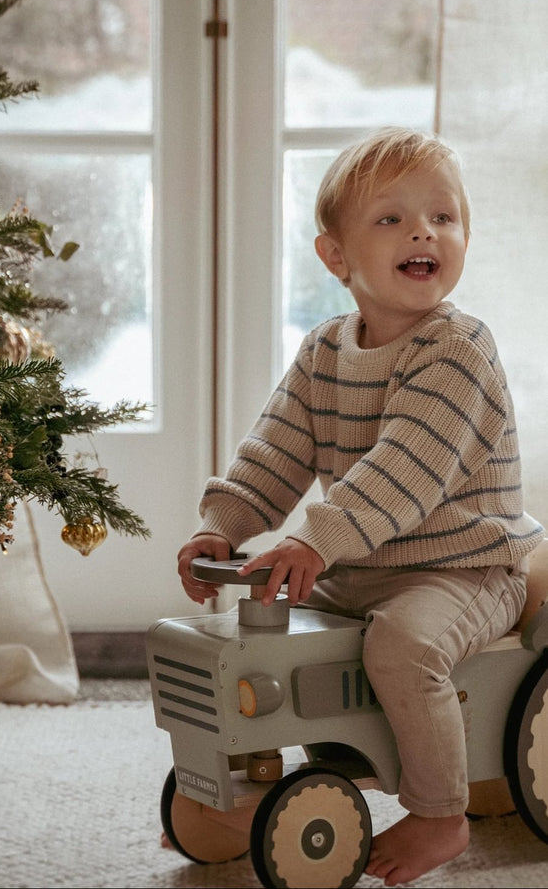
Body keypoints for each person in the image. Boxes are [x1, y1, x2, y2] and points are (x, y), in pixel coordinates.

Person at [177, 126, 543, 887]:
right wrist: (224, 525)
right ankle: (245, 779)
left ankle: (442, 813)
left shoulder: (460, 349)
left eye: (443, 217)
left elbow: (404, 469)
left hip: (464, 568)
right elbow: (275, 451)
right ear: (336, 257)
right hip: (358, 568)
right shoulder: (324, 352)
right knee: (268, 642)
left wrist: (315, 540)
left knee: (403, 647)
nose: (423, 231)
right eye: (392, 218)